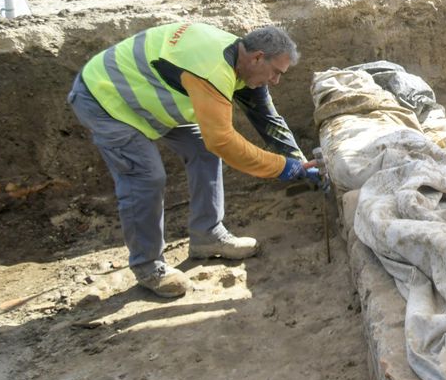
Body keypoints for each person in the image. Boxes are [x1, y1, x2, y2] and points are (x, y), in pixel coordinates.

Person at [67, 22, 320, 298]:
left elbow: (268, 119)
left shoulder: (241, 60)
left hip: (147, 92)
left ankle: (207, 235)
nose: (276, 81)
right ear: (258, 57)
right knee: (146, 177)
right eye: (276, 72)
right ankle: (148, 267)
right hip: (106, 98)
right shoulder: (212, 70)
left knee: (202, 149)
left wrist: (301, 163)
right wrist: (283, 168)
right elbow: (222, 140)